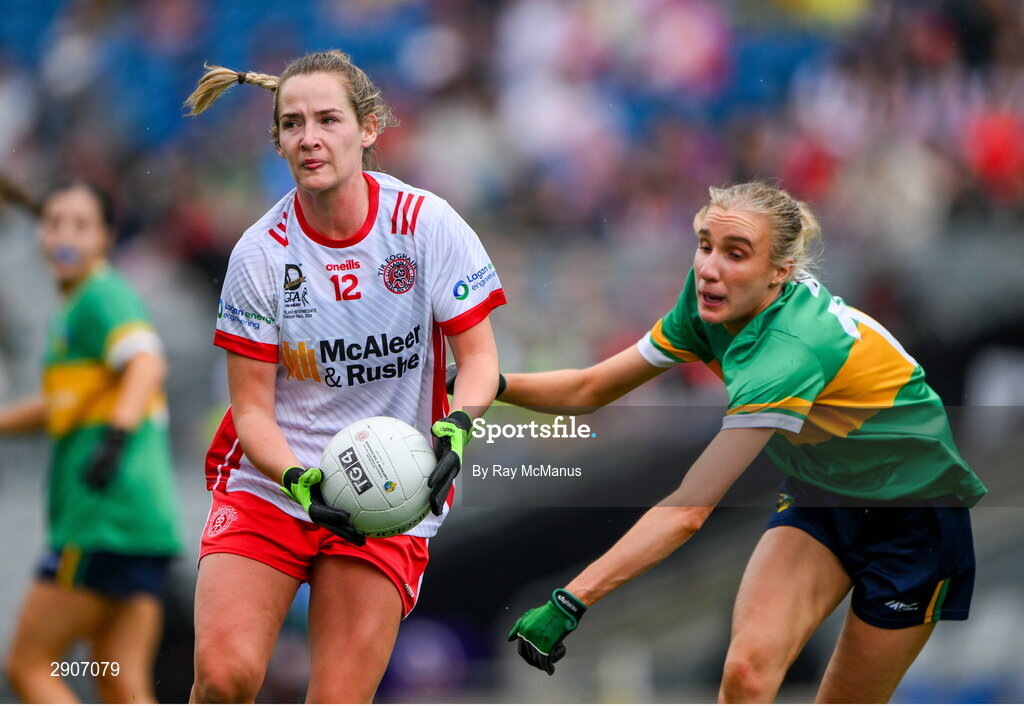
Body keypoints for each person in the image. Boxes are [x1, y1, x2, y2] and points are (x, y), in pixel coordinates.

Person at [475, 182, 986, 702]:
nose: (709, 267)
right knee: (745, 673)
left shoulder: (789, 352)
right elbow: (589, 389)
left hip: (915, 521)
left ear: (780, 272)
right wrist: (481, 381)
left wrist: (572, 600)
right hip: (823, 497)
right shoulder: (708, 301)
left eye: (735, 253)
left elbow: (688, 511)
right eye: (704, 244)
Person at [184, 49, 504, 703]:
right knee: (225, 676)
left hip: (386, 493)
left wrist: (459, 428)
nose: (310, 138)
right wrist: (302, 481)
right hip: (276, 483)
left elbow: (478, 361)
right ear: (277, 140)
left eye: (328, 119)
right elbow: (251, 414)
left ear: (369, 127)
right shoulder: (259, 255)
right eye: (293, 124)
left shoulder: (427, 225)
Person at [0, 180, 182, 703]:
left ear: (106, 237)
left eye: (80, 225)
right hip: (144, 525)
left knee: (28, 664)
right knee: (120, 680)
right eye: (54, 223)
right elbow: (60, 409)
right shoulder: (78, 307)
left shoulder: (102, 297)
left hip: (101, 519)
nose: (63, 236)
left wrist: (114, 441)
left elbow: (147, 363)